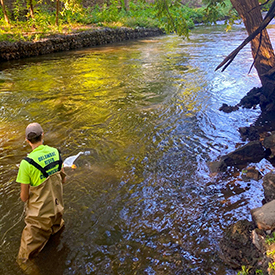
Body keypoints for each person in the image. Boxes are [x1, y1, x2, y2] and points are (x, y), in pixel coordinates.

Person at [16, 122, 66, 263]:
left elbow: (24, 197)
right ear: (42, 135)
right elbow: (63, 180)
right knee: (56, 238)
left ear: (27, 140)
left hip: (40, 218)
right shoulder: (56, 153)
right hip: (57, 212)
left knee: (23, 259)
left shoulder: (26, 163)